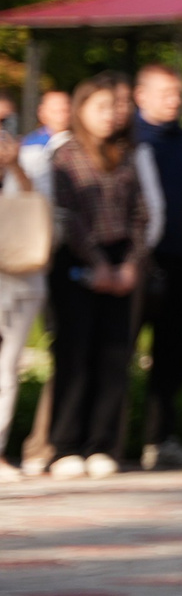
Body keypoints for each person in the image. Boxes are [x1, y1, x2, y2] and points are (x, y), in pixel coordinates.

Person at [45, 76, 150, 478]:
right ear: (81, 110)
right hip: (74, 262)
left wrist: (129, 265)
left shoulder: (125, 155)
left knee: (114, 354)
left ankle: (102, 443)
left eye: (114, 108)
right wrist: (96, 263)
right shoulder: (64, 155)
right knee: (75, 353)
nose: (109, 116)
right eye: (100, 107)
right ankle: (66, 444)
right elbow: (65, 214)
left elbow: (141, 214)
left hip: (122, 259)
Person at [130, 63, 182, 470]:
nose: (173, 100)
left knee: (174, 355)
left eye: (177, 93)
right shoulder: (128, 142)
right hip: (132, 262)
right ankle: (105, 438)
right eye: (164, 93)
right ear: (141, 96)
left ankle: (161, 437)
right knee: (117, 351)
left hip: (180, 262)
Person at [0, 130, 45, 482]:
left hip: (18, 280)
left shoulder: (30, 163)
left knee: (6, 367)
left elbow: (34, 207)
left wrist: (13, 164)